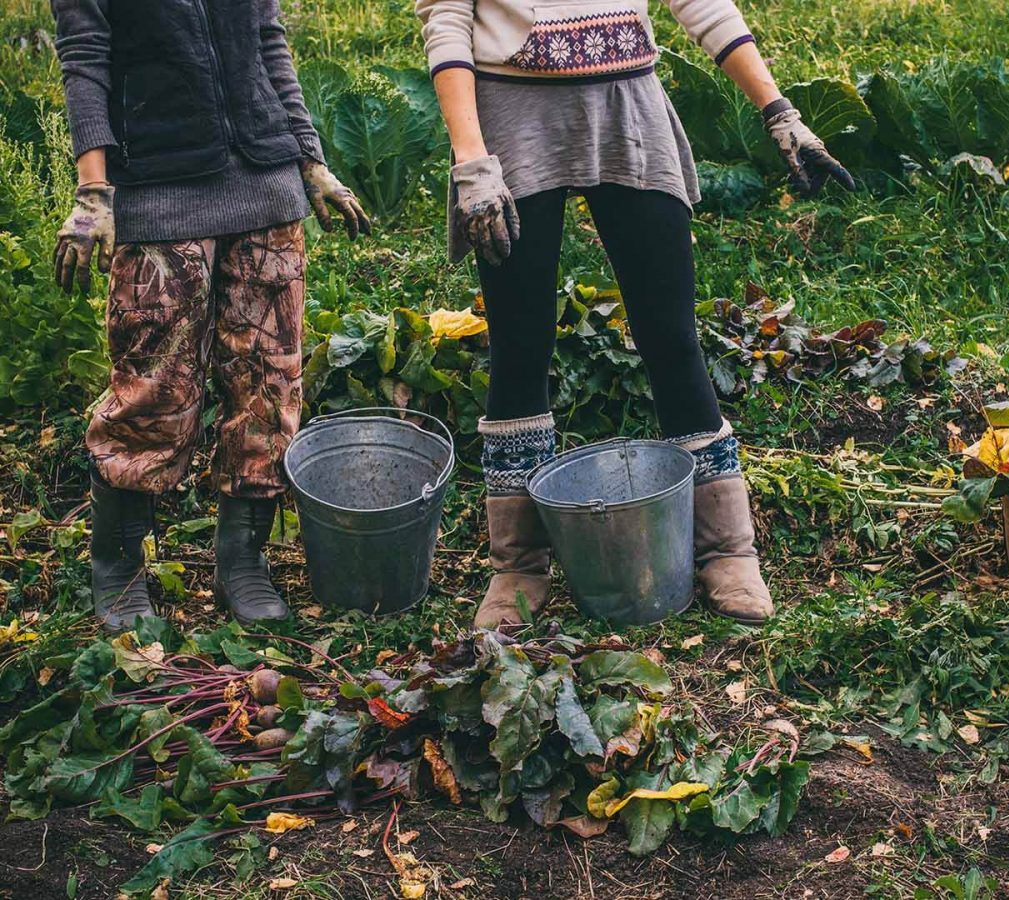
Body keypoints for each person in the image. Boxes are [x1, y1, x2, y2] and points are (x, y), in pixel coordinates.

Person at [416, 0, 854, 629]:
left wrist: (778, 109)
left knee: (669, 331)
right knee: (519, 341)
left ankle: (728, 549)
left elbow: (701, 4)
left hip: (627, 103)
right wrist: (471, 161)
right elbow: (448, 20)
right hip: (511, 114)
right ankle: (518, 564)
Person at [51, 0, 370, 633]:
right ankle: (117, 566)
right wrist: (94, 191)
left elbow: (268, 42)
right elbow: (85, 59)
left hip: (264, 181)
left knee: (268, 382)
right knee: (152, 387)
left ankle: (241, 562)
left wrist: (308, 157)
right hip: (158, 185)